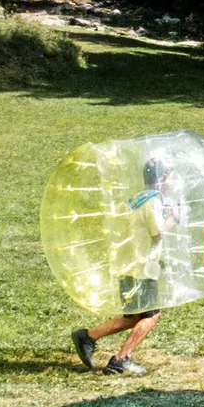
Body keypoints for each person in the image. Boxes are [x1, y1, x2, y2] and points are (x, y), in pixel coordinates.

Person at [72, 156, 176, 375]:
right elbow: (157, 234)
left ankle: (87, 337)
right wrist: (173, 218)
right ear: (163, 177)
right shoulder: (154, 200)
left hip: (127, 266)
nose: (171, 183)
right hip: (141, 270)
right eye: (170, 177)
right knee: (151, 316)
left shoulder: (136, 198)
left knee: (133, 317)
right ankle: (120, 359)